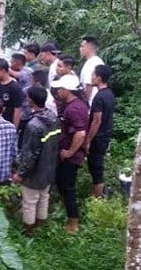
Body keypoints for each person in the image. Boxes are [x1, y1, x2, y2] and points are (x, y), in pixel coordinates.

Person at [12, 87, 61, 236]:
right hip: (49, 167)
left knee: (29, 202)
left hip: (35, 172)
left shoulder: (33, 125)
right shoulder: (53, 118)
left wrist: (21, 173)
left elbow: (30, 153)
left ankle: (29, 232)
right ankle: (41, 225)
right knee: (43, 197)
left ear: (30, 100)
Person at [52, 74, 89, 234]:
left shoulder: (73, 108)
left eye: (60, 89)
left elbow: (80, 133)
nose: (58, 91)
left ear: (66, 90)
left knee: (68, 187)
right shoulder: (76, 104)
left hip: (71, 156)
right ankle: (67, 213)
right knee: (61, 183)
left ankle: (73, 223)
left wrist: (69, 152)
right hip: (67, 153)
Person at [86, 65, 115, 198]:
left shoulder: (99, 97)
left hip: (98, 138)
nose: (91, 77)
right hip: (105, 135)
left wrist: (88, 140)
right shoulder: (109, 94)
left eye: (93, 75)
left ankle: (97, 199)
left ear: (99, 77)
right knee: (97, 166)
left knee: (96, 168)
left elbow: (96, 121)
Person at [79, 36, 105, 105]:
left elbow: (88, 85)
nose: (80, 49)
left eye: (82, 46)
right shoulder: (95, 61)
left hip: (91, 103)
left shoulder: (92, 63)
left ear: (89, 47)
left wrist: (84, 104)